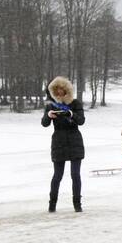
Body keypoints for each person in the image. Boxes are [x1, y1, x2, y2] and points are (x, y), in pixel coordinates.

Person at [40, 76, 85, 212]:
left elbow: (81, 121)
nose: (59, 92)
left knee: (75, 174)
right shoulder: (50, 105)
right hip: (58, 142)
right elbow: (44, 123)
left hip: (74, 141)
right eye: (56, 90)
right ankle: (52, 204)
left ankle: (77, 204)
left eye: (62, 90)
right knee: (57, 175)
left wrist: (71, 114)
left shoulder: (75, 103)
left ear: (67, 90)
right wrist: (49, 116)